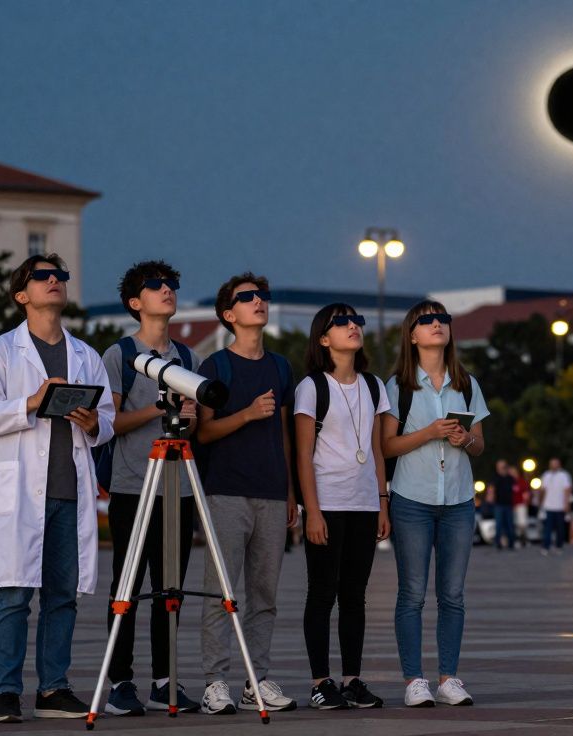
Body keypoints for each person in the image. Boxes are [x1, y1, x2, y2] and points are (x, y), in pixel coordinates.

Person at [0, 254, 115, 723]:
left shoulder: (86, 355)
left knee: (62, 595)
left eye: (61, 276)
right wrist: (31, 402)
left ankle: (53, 688)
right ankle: (6, 691)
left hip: (70, 492)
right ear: (21, 294)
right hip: (21, 493)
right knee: (14, 593)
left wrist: (93, 422)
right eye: (43, 276)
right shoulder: (0, 352)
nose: (55, 281)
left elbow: (107, 419)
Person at [100, 260, 201, 716]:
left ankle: (166, 680)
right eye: (156, 286)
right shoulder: (120, 355)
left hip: (178, 487)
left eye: (172, 285)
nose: (168, 291)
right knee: (128, 585)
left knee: (170, 589)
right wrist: (158, 409)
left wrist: (190, 418)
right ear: (135, 302)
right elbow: (111, 422)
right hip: (132, 486)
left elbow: (194, 424)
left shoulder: (188, 358)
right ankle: (121, 681)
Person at [196, 272, 298, 715]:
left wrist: (291, 490)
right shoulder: (215, 366)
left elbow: (285, 433)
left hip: (272, 493)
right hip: (226, 492)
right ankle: (214, 681)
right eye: (248, 298)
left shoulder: (280, 366)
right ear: (229, 314)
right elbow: (203, 431)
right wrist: (247, 414)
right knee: (222, 591)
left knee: (265, 595)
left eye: (263, 297)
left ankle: (257, 680)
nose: (259, 302)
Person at [381, 301, 488, 708]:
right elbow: (386, 445)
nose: (437, 325)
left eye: (442, 319)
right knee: (411, 593)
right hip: (413, 499)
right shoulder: (399, 386)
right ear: (412, 334)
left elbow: (480, 445)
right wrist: (428, 433)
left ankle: (449, 678)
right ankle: (414, 679)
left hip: (459, 499)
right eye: (426, 320)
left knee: (453, 594)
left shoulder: (467, 383)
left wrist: (465, 439)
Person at [295, 303, 391, 710]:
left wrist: (383, 501)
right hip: (327, 502)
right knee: (322, 592)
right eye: (341, 323)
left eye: (356, 321)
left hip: (365, 502)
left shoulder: (373, 385)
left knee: (355, 595)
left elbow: (376, 449)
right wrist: (311, 511)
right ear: (323, 338)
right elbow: (302, 455)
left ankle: (352, 678)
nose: (352, 327)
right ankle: (321, 681)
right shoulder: (311, 386)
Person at [539, 458, 572, 554]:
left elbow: (567, 490)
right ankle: (546, 546)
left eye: (555, 464)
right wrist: (541, 502)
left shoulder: (564, 475)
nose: (553, 465)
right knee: (547, 528)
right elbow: (543, 490)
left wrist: (566, 503)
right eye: (552, 464)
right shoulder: (546, 475)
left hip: (560, 506)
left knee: (560, 528)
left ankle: (559, 546)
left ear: (559, 464)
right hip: (548, 506)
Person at [486, 460, 517, 550]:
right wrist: (490, 498)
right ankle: (498, 543)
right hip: (498, 504)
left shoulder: (510, 478)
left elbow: (515, 489)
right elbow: (491, 489)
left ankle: (511, 543)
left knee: (510, 524)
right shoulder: (495, 477)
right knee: (498, 525)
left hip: (509, 504)